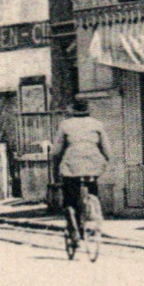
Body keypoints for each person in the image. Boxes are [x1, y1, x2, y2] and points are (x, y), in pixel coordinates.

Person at [51, 99, 109, 234]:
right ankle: (93, 205)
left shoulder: (65, 125)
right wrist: (104, 160)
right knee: (91, 184)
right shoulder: (97, 124)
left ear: (72, 109)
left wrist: (57, 161)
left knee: (71, 194)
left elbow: (56, 151)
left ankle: (74, 225)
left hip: (73, 164)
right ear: (88, 109)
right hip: (93, 164)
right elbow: (106, 149)